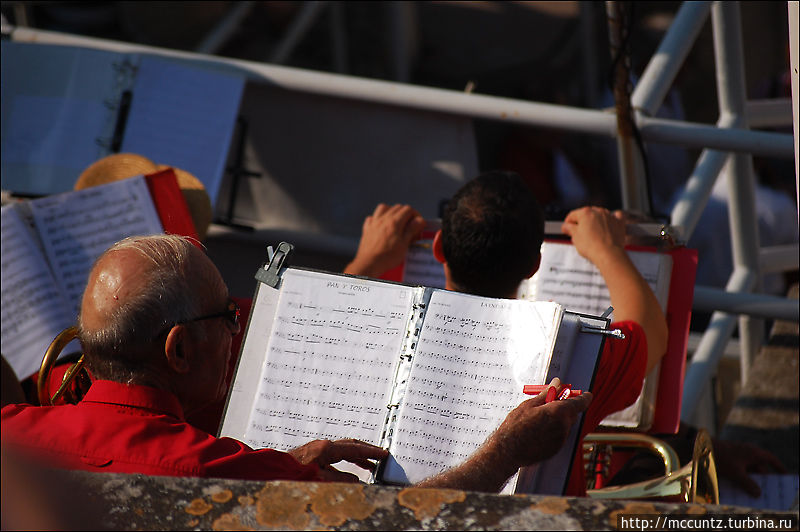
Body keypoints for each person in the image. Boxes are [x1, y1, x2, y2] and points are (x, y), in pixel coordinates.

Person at [1, 234, 591, 493]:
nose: (237, 329)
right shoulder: (217, 471)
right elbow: (403, 522)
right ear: (178, 349)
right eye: (226, 317)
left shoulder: (11, 438)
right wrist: (507, 451)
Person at [345, 170, 669, 496]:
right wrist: (608, 251)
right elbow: (650, 334)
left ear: (439, 247)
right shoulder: (575, 354)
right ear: (534, 267)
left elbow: (325, 313)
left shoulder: (376, 330)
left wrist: (367, 260)